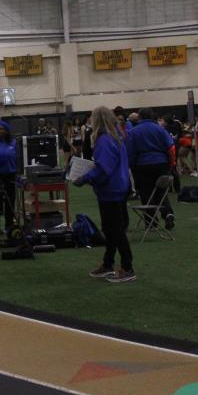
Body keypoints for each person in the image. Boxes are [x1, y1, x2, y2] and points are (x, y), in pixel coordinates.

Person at [74, 106, 136, 283]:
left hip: (111, 190)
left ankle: (127, 267)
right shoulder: (116, 136)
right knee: (111, 229)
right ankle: (108, 263)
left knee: (115, 229)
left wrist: (84, 178)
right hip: (117, 186)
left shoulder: (105, 140)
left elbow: (103, 169)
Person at [125, 107, 176, 230]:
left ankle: (151, 221)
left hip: (142, 164)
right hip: (161, 162)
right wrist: (171, 163)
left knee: (146, 193)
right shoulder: (160, 129)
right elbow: (171, 147)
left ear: (139, 117)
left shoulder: (133, 131)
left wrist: (131, 165)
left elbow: (130, 151)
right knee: (161, 190)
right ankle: (167, 213)